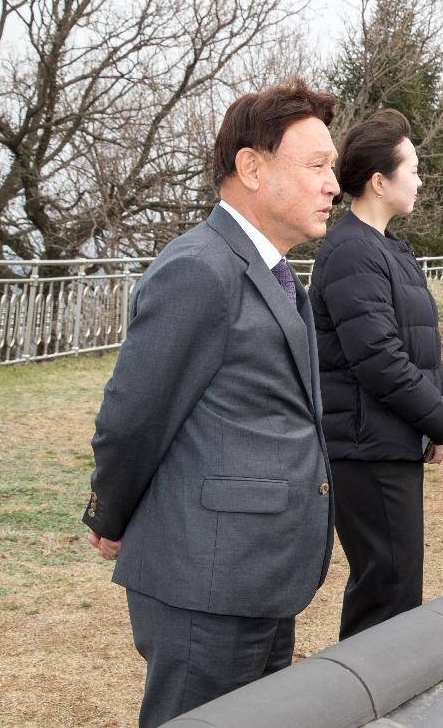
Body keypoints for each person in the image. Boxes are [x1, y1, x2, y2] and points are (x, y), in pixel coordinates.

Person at [82, 78, 340, 727]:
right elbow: (133, 418)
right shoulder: (200, 268)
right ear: (251, 167)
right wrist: (109, 517)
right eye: (317, 166)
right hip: (208, 583)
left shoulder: (276, 275)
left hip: (260, 573)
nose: (334, 184)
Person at [309, 109, 443, 639]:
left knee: (397, 584)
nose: (421, 180)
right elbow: (377, 357)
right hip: (365, 448)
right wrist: (442, 424)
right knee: (387, 588)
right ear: (380, 181)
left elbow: (421, 346)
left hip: (389, 441)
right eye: (414, 169)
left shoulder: (389, 248)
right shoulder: (353, 250)